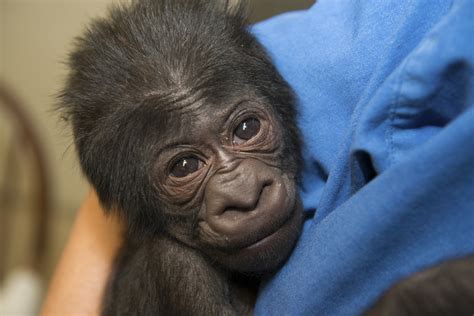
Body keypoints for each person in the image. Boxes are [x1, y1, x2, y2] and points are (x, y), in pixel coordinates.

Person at [42, 0, 474, 315]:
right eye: (185, 166)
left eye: (247, 129)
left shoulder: (284, 67)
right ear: (138, 206)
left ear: (284, 105)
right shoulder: (178, 271)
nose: (245, 192)